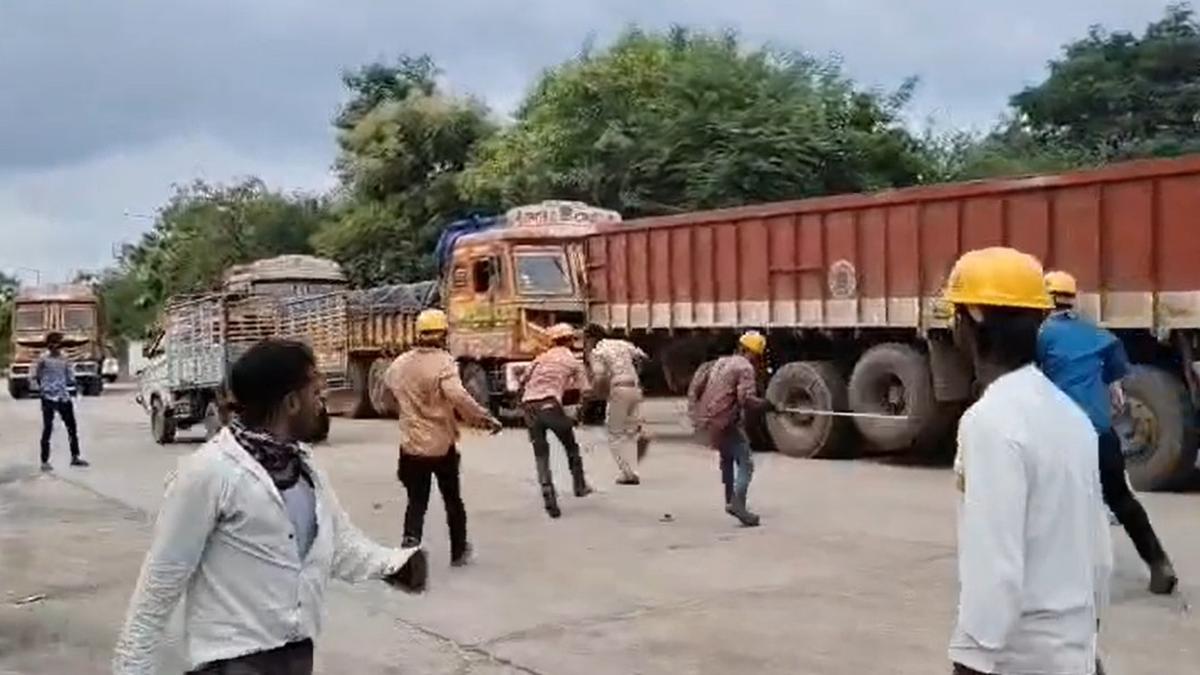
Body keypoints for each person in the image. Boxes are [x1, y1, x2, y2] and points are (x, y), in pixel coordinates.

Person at [113, 340, 426, 675]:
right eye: (316, 393)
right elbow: (161, 580)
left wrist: (394, 565)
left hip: (294, 655)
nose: (323, 403)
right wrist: (132, 667)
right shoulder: (211, 472)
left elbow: (339, 545)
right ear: (292, 402)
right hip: (232, 662)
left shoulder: (303, 466)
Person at [944, 248, 1111, 675]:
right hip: (1073, 654)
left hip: (1021, 659)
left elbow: (994, 568)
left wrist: (970, 661)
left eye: (955, 315)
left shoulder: (990, 422)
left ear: (974, 316)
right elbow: (1099, 555)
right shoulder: (1071, 416)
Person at [1039, 270, 1178, 595]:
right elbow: (1115, 384)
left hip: (1062, 434)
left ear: (1045, 300)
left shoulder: (1041, 337)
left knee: (1055, 504)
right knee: (1121, 499)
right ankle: (1160, 564)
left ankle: (1062, 576)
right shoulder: (1098, 335)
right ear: (1073, 298)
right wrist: (1111, 387)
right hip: (1101, 432)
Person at [385, 309, 502, 567]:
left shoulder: (400, 363)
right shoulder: (444, 363)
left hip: (411, 446)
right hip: (440, 446)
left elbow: (388, 391)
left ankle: (409, 545)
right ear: (443, 334)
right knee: (452, 499)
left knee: (416, 501)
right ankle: (459, 551)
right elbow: (458, 397)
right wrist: (484, 417)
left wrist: (408, 410)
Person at [687, 331, 773, 527]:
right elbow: (746, 400)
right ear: (752, 352)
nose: (756, 359)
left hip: (707, 419)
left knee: (727, 459)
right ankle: (737, 503)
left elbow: (700, 387)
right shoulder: (745, 368)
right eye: (756, 355)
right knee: (746, 463)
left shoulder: (721, 362)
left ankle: (730, 500)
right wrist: (766, 405)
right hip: (724, 421)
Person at [521, 323, 592, 518]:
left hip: (529, 406)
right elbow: (586, 390)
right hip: (551, 405)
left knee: (541, 452)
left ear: (552, 341)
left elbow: (523, 381)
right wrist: (579, 413)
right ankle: (580, 485)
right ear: (570, 340)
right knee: (570, 446)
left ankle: (547, 493)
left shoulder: (540, 358)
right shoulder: (573, 361)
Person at [584, 324, 650, 485]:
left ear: (591, 338)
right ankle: (639, 437)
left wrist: (594, 392)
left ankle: (627, 473)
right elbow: (643, 357)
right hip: (635, 388)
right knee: (630, 429)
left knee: (614, 434)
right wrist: (636, 373)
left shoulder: (597, 351)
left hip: (619, 389)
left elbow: (599, 376)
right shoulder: (622, 343)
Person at [34, 331, 88, 470]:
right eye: (52, 345)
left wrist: (75, 386)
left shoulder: (65, 359)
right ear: (48, 346)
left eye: (57, 345)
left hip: (63, 396)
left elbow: (70, 376)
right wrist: (43, 389)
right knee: (48, 428)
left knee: (72, 428)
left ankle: (75, 456)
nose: (55, 348)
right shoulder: (43, 360)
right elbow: (36, 376)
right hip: (48, 396)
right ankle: (44, 461)